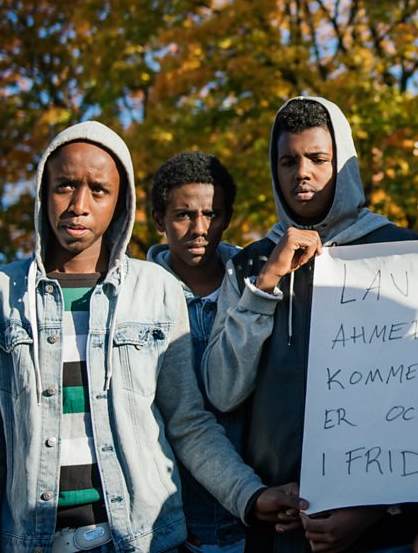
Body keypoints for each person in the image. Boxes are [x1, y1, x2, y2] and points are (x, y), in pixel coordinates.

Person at [0, 121, 268, 553]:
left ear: (120, 202)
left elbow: (188, 423)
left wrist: (251, 496)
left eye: (99, 190)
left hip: (145, 540)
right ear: (44, 192)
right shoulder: (0, 293)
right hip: (34, 542)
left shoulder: (155, 289)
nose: (78, 206)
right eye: (65, 186)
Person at [202, 97, 418, 552]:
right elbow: (222, 391)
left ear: (343, 164)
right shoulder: (249, 265)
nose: (302, 173)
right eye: (288, 161)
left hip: (385, 526)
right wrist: (265, 285)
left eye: (318, 159)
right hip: (280, 525)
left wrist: (380, 506)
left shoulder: (402, 251)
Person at [147, 152, 247, 553]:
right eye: (184, 215)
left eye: (212, 214)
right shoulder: (137, 300)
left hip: (260, 513)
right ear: (159, 219)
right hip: (175, 523)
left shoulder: (258, 284)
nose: (200, 229)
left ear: (227, 217)